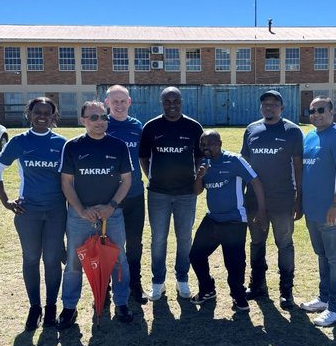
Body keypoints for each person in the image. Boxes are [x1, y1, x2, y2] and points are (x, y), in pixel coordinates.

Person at [0, 97, 67, 330]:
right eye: (37, 112)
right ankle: (35, 308)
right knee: (31, 259)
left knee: (52, 260)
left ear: (54, 116)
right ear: (29, 113)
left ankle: (51, 307)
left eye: (47, 113)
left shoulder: (62, 143)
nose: (42, 116)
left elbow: (70, 180)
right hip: (28, 212)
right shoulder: (19, 141)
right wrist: (6, 202)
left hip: (55, 212)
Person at [58, 100, 133, 328]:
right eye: (94, 117)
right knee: (73, 263)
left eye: (103, 117)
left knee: (119, 259)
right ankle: (69, 308)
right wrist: (81, 210)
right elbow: (66, 183)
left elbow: (126, 180)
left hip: (112, 215)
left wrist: (111, 205)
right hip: (80, 218)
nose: (100, 122)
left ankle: (121, 303)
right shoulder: (72, 146)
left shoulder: (118, 146)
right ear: (83, 121)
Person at [190, 130, 267, 312]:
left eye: (210, 143)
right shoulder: (203, 164)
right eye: (202, 144)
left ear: (220, 143)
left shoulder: (234, 160)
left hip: (234, 221)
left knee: (234, 263)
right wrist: (199, 176)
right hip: (213, 219)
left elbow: (255, 182)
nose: (206, 147)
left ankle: (239, 296)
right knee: (196, 255)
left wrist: (262, 210)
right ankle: (207, 289)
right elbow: (197, 191)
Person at [139, 86, 203, 301]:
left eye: (176, 101)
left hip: (186, 193)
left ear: (182, 102)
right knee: (158, 239)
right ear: (161, 103)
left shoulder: (193, 127)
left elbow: (199, 157)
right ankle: (158, 282)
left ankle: (182, 279)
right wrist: (152, 177)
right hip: (158, 193)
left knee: (184, 238)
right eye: (167, 101)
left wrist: (195, 179)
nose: (172, 105)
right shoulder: (151, 127)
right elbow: (143, 157)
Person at [241, 90, 304, 309]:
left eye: (274, 104)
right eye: (265, 104)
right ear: (261, 108)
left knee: (284, 243)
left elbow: (298, 167)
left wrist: (299, 198)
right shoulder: (251, 130)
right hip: (255, 200)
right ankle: (257, 285)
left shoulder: (292, 131)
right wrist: (241, 196)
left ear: (282, 108)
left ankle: (286, 291)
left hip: (283, 200)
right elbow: (245, 166)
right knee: (257, 242)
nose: (269, 108)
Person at [299, 97, 336, 327]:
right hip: (313, 211)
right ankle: (323, 298)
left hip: (332, 212)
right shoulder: (310, 136)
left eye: (320, 110)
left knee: (335, 258)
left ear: (332, 111)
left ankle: (334, 307)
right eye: (311, 111)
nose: (315, 114)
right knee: (322, 256)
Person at [104, 85, 148, 304]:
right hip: (108, 197)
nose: (119, 105)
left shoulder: (137, 126)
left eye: (123, 101)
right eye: (115, 101)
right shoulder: (102, 125)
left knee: (134, 243)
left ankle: (135, 285)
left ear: (130, 102)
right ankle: (105, 287)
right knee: (109, 243)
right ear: (107, 103)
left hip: (135, 195)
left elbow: (143, 157)